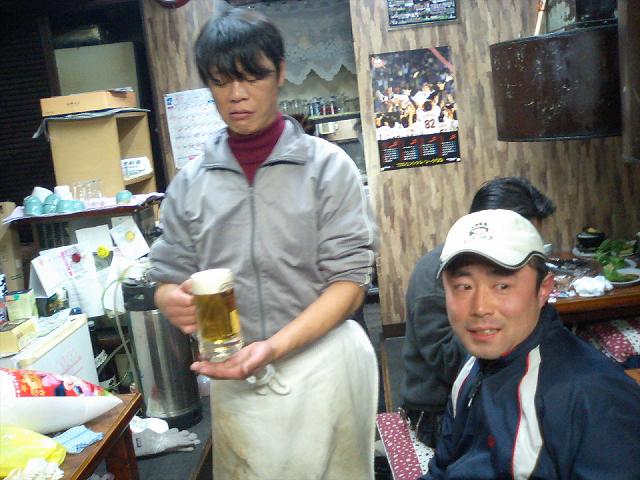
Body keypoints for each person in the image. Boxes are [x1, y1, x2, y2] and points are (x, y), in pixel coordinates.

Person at [148, 8, 378, 479]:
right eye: (220, 81)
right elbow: (168, 273)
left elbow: (351, 282)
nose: (236, 94)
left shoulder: (327, 168)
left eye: (253, 77)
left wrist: (274, 347)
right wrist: (168, 297)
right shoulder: (190, 184)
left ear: (281, 73)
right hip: (236, 372)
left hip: (322, 367)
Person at [421, 209, 640, 479]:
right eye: (464, 286)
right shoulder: (474, 366)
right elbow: (442, 468)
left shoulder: (594, 398)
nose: (479, 307)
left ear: (543, 289)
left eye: (502, 285)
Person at [401, 177, 555, 447]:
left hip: (490, 391)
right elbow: (451, 363)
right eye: (523, 238)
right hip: (438, 412)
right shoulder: (435, 274)